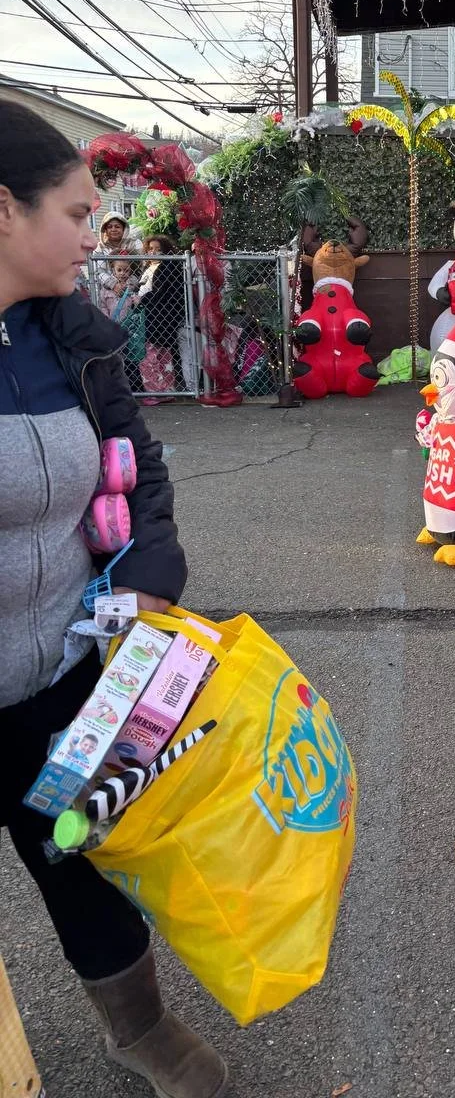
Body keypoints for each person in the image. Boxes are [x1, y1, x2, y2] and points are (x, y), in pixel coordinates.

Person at [0, 101, 229, 1097]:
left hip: (63, 681)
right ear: (4, 211)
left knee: (82, 855)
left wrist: (142, 580)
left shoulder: (77, 340)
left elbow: (143, 481)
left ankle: (137, 1024)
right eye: (77, 212)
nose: (95, 237)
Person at [139, 233, 188, 396]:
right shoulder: (147, 269)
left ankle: (158, 391)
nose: (153, 252)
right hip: (151, 315)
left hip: (159, 318)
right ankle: (165, 389)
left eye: (158, 250)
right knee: (160, 356)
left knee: (153, 356)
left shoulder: (166, 268)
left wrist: (142, 299)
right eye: (150, 249)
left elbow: (159, 292)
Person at [97, 255, 146, 395]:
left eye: (126, 270)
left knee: (132, 357)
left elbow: (137, 306)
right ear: (113, 271)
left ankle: (134, 386)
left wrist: (135, 299)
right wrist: (106, 320)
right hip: (113, 325)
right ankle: (117, 386)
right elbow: (102, 306)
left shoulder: (134, 288)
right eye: (119, 270)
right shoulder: (105, 290)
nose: (123, 274)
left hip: (130, 327)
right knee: (115, 357)